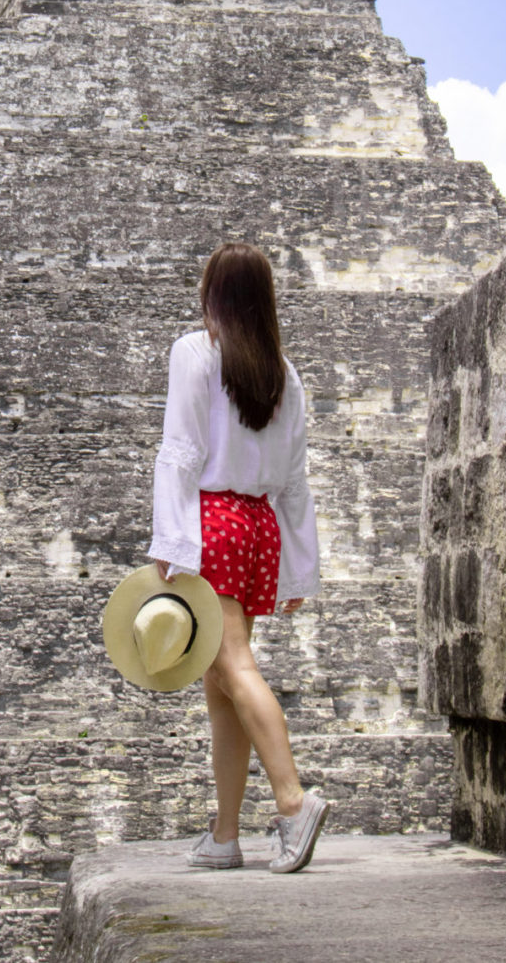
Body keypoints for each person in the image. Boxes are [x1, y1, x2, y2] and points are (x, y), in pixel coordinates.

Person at [149, 241, 328, 873]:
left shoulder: (197, 352)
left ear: (214, 295)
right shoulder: (284, 372)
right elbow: (295, 481)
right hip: (257, 528)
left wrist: (172, 545)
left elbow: (180, 449)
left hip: (214, 523)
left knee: (230, 665)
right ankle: (225, 835)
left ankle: (291, 801)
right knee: (219, 683)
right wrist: (298, 565)